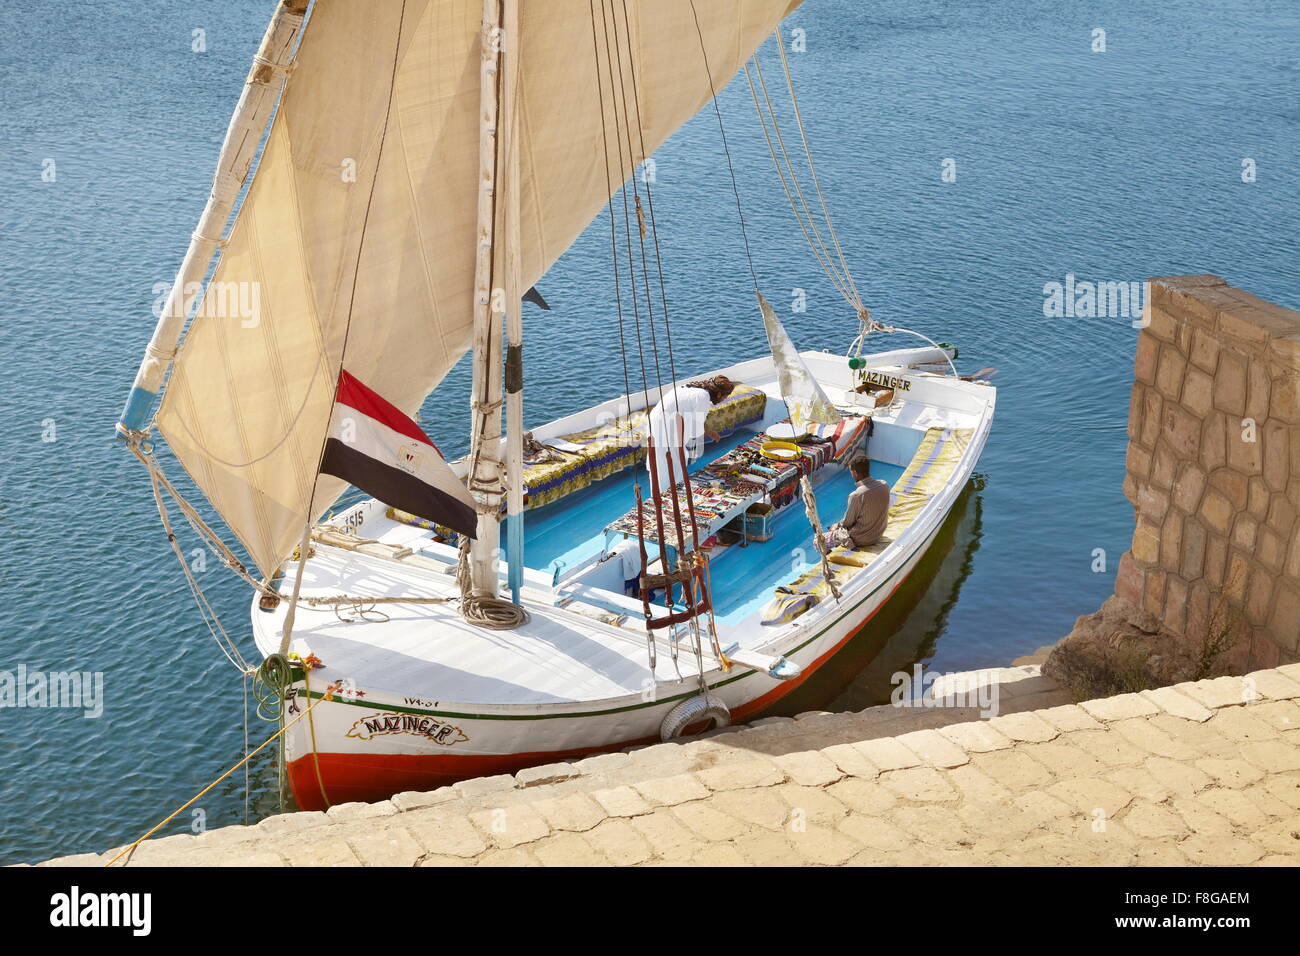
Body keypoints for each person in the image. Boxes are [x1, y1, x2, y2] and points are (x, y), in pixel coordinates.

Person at [645, 375, 736, 492]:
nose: (724, 400)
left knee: (660, 463)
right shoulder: (703, 398)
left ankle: (664, 495)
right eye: (725, 397)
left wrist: (706, 432)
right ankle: (668, 496)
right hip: (665, 430)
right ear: (718, 394)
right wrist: (708, 433)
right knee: (671, 467)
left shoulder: (692, 388)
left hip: (656, 423)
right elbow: (695, 431)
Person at [823, 455, 890, 550]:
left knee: (818, 541)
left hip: (862, 539)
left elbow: (847, 523)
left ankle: (828, 561)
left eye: (851, 472)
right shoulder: (884, 485)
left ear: (854, 473)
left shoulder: (856, 495)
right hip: (878, 534)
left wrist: (836, 526)